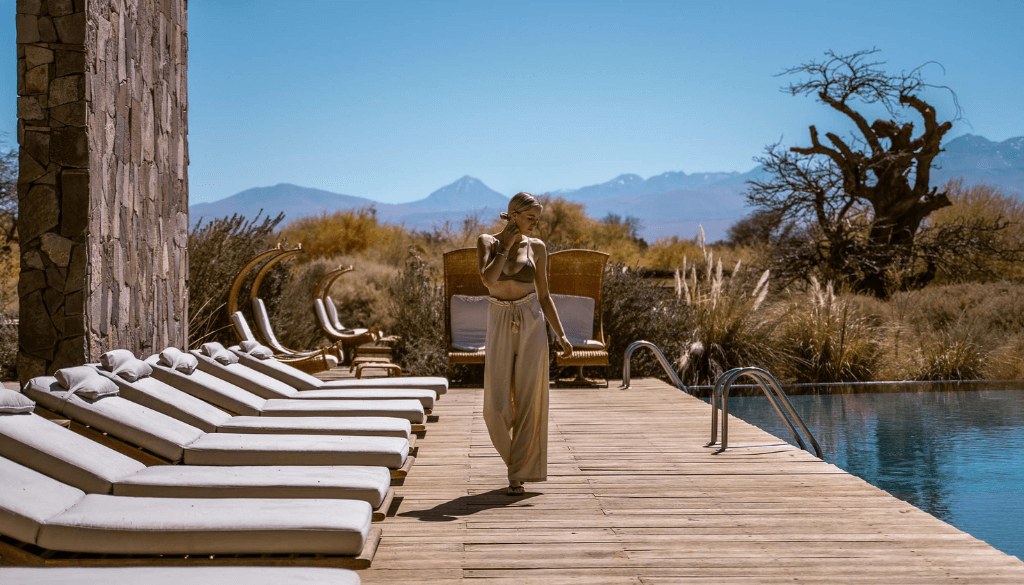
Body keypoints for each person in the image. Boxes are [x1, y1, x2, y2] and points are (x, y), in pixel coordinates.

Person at [477, 192, 573, 495]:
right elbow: (488, 280)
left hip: (531, 320)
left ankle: (517, 474)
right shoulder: (487, 242)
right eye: (530, 218)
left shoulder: (538, 248)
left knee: (530, 399)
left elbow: (544, 295)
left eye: (537, 219)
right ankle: (518, 463)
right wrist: (506, 245)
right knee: (496, 406)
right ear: (513, 214)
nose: (535, 224)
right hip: (499, 320)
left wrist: (562, 335)